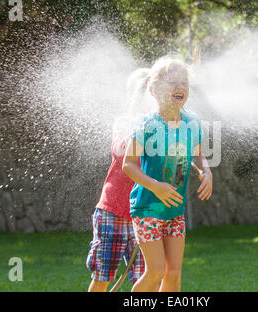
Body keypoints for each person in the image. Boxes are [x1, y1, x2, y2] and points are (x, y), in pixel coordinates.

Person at [122, 57, 213, 292]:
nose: (179, 87)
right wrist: (156, 186)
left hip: (175, 210)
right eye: (172, 82)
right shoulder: (146, 125)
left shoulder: (192, 123)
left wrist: (207, 172)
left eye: (184, 82)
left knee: (173, 273)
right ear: (153, 90)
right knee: (156, 271)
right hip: (148, 208)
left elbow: (200, 156)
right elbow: (128, 165)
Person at [86, 68, 152, 292]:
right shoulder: (124, 122)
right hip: (112, 212)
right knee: (103, 276)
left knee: (148, 278)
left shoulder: (162, 129)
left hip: (144, 214)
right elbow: (120, 150)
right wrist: (141, 126)